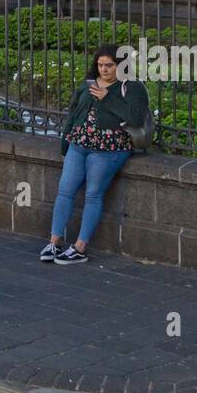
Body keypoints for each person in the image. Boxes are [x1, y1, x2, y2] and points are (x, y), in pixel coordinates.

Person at [42, 45, 149, 265]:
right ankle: (54, 241)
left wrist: (107, 97)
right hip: (78, 145)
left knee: (93, 194)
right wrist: (66, 142)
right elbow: (74, 114)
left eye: (109, 65)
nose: (104, 70)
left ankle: (80, 247)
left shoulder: (133, 87)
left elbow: (135, 118)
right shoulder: (88, 85)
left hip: (109, 150)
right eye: (100, 65)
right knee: (65, 190)